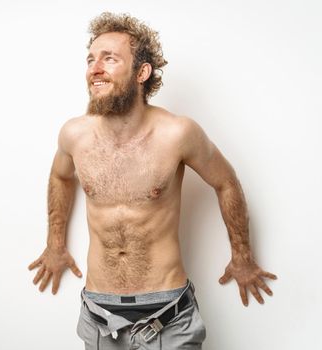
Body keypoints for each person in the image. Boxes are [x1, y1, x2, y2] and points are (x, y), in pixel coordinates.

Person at [28, 12, 277, 349]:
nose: (94, 68)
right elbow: (60, 177)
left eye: (109, 58)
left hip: (169, 315)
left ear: (141, 72)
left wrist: (243, 256)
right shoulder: (74, 135)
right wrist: (55, 245)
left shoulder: (178, 133)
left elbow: (226, 182)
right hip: (99, 316)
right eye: (91, 59)